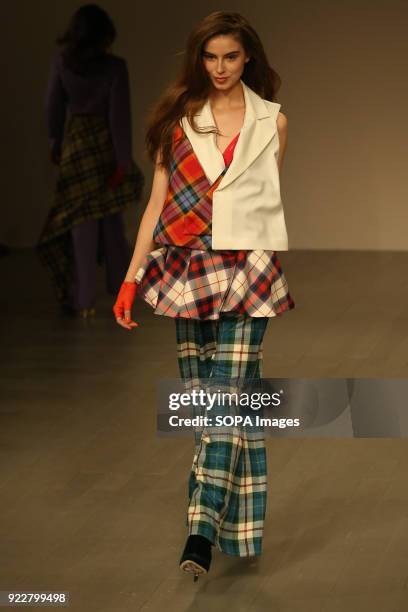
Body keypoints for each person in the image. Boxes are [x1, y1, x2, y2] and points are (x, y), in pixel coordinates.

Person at [113, 10, 295, 580]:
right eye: (210, 57)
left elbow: (261, 202)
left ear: (249, 59)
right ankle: (236, 526)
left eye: (231, 57)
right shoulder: (178, 119)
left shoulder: (274, 122)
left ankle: (199, 532)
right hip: (186, 269)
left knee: (224, 397)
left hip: (247, 268)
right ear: (200, 59)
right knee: (210, 404)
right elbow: (156, 204)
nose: (219, 68)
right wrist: (130, 276)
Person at [37, 3, 144, 317]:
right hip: (104, 144)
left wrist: (56, 142)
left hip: (76, 144)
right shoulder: (114, 67)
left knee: (81, 222)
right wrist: (123, 161)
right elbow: (119, 117)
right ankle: (120, 290)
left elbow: (52, 107)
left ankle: (83, 300)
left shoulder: (63, 63)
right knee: (111, 218)